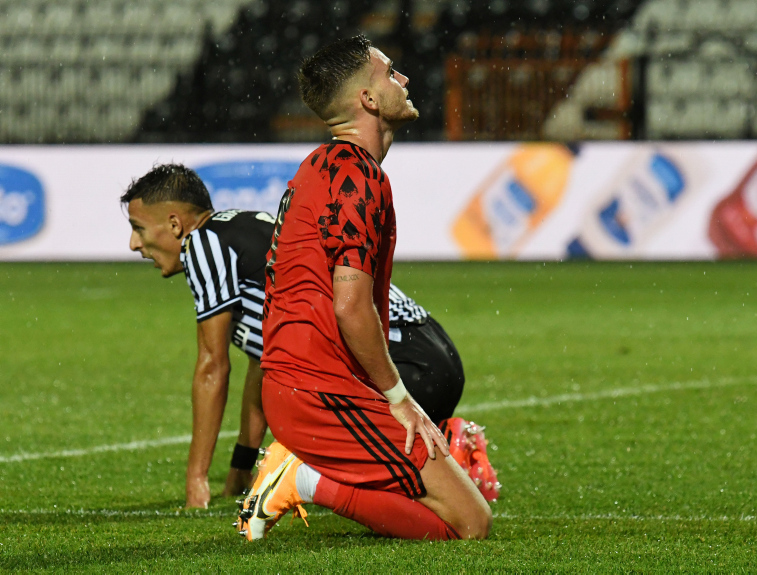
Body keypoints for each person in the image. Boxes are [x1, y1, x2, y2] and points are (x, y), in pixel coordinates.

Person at [237, 35, 492, 541]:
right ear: (369, 99)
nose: (404, 79)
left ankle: (308, 475)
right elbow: (351, 306)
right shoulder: (355, 175)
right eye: (390, 72)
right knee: (470, 523)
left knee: (450, 507)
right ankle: (301, 479)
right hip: (319, 391)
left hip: (302, 384)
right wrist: (399, 398)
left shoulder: (323, 166)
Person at [121, 165, 495, 509]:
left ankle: (444, 455)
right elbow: (262, 365)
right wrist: (240, 468)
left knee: (301, 425)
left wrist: (196, 480)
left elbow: (211, 367)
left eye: (139, 228)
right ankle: (445, 440)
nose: (134, 244)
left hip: (398, 361)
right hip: (431, 354)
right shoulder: (240, 229)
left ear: (175, 224)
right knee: (290, 393)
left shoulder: (202, 244)